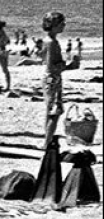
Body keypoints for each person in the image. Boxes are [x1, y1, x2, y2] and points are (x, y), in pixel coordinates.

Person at [41, 12, 70, 149]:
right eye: (61, 23)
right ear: (53, 26)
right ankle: (47, 141)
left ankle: (47, 139)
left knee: (50, 110)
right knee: (55, 112)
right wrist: (69, 65)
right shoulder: (52, 43)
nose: (63, 26)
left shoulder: (48, 41)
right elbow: (53, 66)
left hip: (48, 78)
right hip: (53, 78)